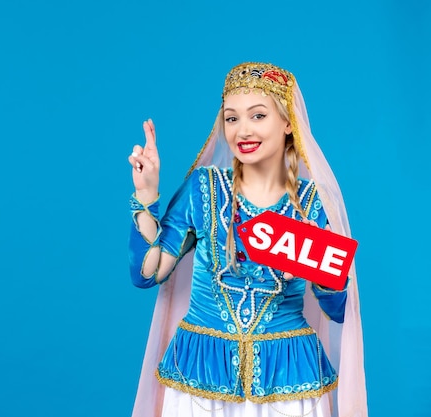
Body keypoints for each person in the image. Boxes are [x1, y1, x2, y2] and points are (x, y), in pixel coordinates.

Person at [127, 62, 367, 417]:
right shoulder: (203, 189)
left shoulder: (313, 205)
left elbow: (337, 309)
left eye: (257, 116)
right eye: (232, 118)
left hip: (288, 378)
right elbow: (148, 273)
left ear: (288, 123)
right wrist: (146, 195)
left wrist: (312, 265)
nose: (242, 130)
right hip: (201, 375)